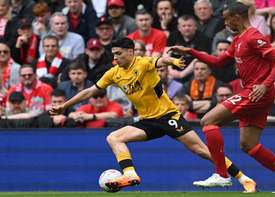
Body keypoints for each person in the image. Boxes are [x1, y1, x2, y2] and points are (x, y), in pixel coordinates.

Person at [50, 37, 256, 193]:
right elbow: (89, 91)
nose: (115, 58)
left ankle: (244, 178)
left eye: (119, 54)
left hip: (168, 116)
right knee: (114, 137)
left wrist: (173, 62)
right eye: (113, 54)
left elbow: (160, 61)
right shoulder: (114, 73)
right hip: (148, 121)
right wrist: (65, 106)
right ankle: (130, 174)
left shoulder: (142, 63)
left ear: (130, 52)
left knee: (201, 150)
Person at [170, 1, 275, 193]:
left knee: (209, 120)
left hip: (257, 92)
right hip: (255, 92)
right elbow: (218, 62)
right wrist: (192, 52)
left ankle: (221, 174)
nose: (225, 23)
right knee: (248, 145)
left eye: (227, 19)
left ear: (237, 17)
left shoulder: (253, 36)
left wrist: (265, 84)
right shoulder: (238, 40)